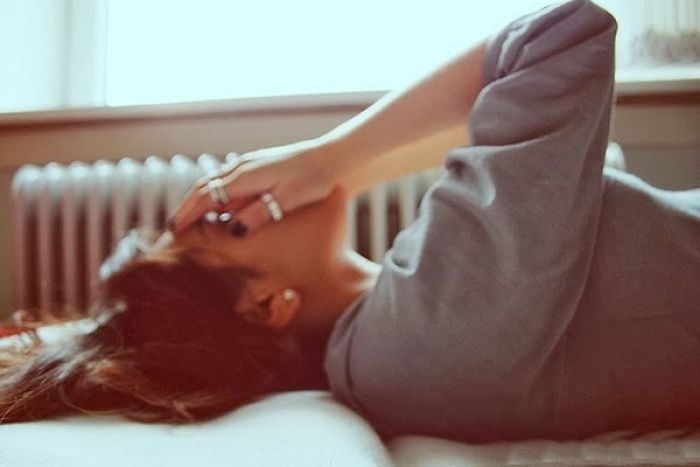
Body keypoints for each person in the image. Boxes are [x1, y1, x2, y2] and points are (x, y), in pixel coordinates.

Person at [1, 0, 698, 443]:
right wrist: (336, 157)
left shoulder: (405, 319)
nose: (236, 194)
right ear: (268, 306)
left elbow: (497, 116)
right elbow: (561, 35)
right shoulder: (421, 335)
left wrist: (337, 169)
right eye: (225, 225)